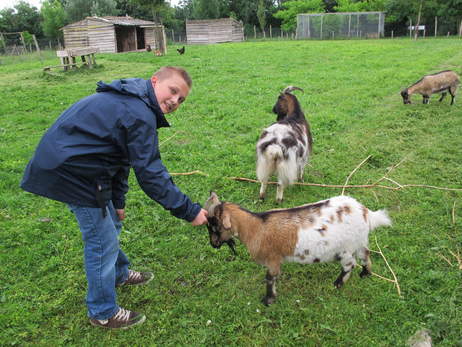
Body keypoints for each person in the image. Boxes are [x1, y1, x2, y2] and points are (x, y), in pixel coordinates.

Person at [20, 66, 208, 329]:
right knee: (101, 240)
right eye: (173, 91)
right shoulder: (139, 113)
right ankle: (102, 310)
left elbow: (119, 157)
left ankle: (118, 273)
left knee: (112, 223)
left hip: (89, 166)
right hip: (71, 170)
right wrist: (189, 211)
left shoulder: (136, 102)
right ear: (155, 81)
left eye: (182, 99)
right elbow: (151, 174)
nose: (175, 101)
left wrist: (117, 201)